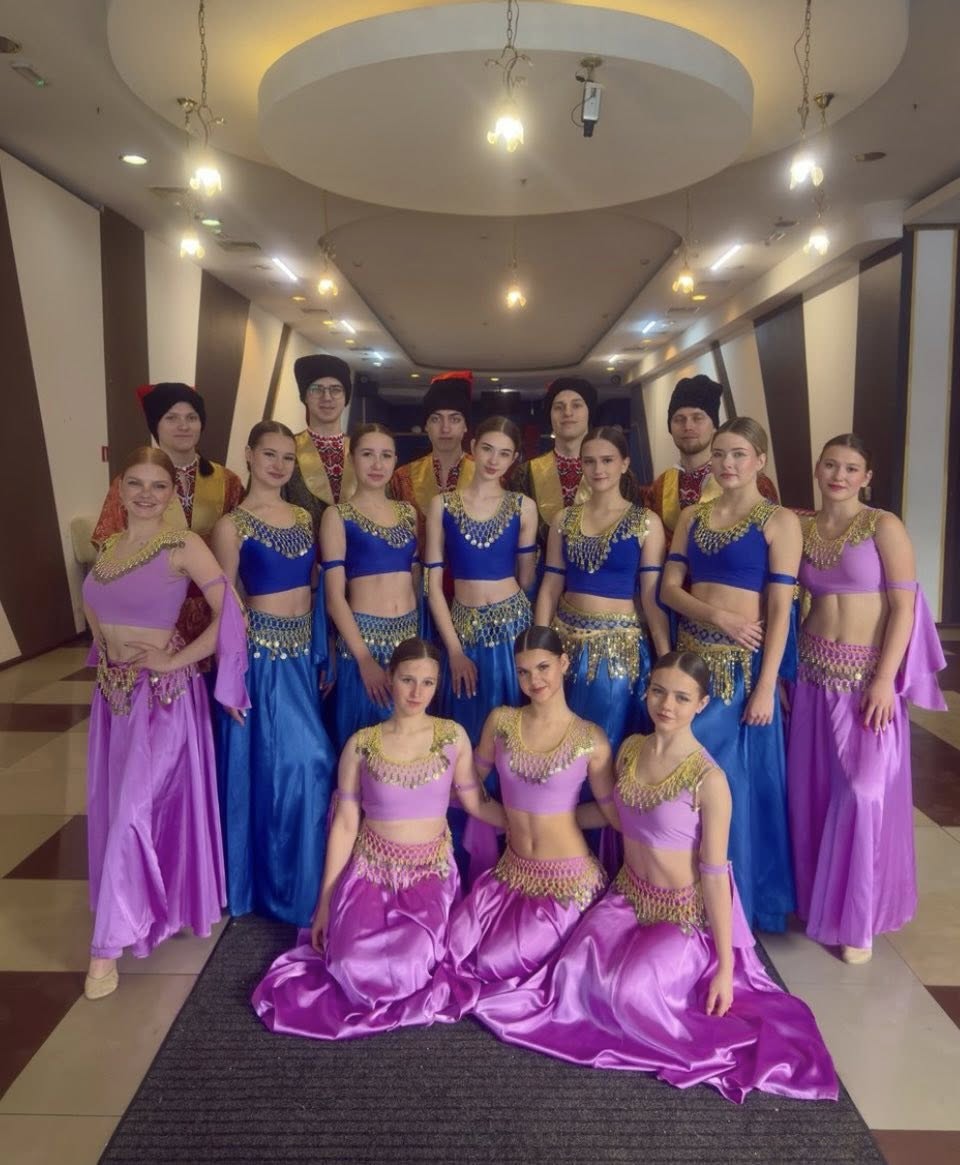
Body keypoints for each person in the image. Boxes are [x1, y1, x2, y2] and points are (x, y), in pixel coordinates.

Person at [475, 652, 839, 1104]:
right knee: (571, 974)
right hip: (627, 899)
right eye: (659, 692)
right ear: (647, 692)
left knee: (629, 993)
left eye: (682, 697)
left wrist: (726, 969)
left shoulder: (709, 780)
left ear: (702, 704)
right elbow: (612, 815)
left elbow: (715, 876)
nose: (667, 705)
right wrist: (537, 817)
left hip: (681, 915)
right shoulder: (631, 749)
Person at [251, 639, 505, 1040]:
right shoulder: (361, 744)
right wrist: (325, 904)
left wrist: (526, 826)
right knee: (349, 964)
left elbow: (475, 802)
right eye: (407, 680)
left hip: (430, 877)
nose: (417, 693)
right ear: (390, 677)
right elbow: (345, 824)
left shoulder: (452, 737)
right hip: (369, 875)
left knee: (413, 964)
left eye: (427, 682)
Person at [82, 447, 248, 1000]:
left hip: (162, 700)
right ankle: (145, 907)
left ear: (173, 494)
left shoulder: (184, 545)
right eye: (136, 484)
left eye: (158, 485)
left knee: (133, 811)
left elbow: (232, 613)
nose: (146, 495)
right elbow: (96, 607)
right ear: (120, 488)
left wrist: (176, 659)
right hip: (114, 698)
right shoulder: (108, 548)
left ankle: (105, 948)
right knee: (121, 809)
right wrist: (105, 653)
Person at [788, 435, 946, 963]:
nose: (839, 475)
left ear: (867, 477)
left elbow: (904, 608)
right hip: (811, 673)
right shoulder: (802, 528)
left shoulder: (883, 526)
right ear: (818, 469)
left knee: (863, 790)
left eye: (851, 468)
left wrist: (884, 679)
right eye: (831, 465)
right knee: (812, 791)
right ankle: (817, 900)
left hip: (865, 679)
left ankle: (860, 919)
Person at [429, 626, 613, 1020]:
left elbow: (612, 811)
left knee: (493, 962)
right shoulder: (501, 722)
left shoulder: (590, 738)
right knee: (453, 945)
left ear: (564, 664)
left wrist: (564, 818)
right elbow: (471, 787)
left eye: (543, 667)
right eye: (524, 672)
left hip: (567, 887)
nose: (535, 680)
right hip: (509, 876)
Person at [661, 417, 800, 932]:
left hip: (743, 673)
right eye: (719, 454)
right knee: (686, 779)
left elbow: (780, 610)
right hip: (692, 664)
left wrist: (766, 686)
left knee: (734, 782)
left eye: (739, 454)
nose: (727, 464)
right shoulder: (692, 516)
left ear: (760, 460)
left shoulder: (779, 520)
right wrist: (718, 616)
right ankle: (685, 895)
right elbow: (669, 590)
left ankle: (737, 904)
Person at [212, 421, 335, 927]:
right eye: (270, 454)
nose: (279, 465)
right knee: (308, 761)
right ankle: (289, 889)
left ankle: (300, 880)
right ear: (249, 454)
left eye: (287, 457)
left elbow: (316, 588)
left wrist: (322, 651)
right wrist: (230, 679)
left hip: (302, 654)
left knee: (287, 769)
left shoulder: (304, 517)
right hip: (262, 659)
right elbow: (226, 605)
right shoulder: (231, 526)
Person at [536, 425, 670, 751]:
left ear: (624, 463)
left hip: (618, 649)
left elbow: (651, 597)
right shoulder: (564, 520)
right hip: (564, 643)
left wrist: (666, 658)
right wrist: (539, 645)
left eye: (607, 460)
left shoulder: (646, 522)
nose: (598, 469)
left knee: (606, 739)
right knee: (557, 737)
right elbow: (551, 586)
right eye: (590, 461)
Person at [92, 382, 244, 644]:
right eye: (171, 418)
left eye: (191, 418)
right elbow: (109, 549)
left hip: (213, 606)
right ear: (156, 425)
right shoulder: (130, 483)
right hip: (151, 612)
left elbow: (244, 544)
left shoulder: (228, 481)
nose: (183, 426)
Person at [424, 416, 538, 746]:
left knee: (513, 729)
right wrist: (454, 651)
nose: (493, 460)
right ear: (472, 447)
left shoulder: (524, 506)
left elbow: (527, 579)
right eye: (487, 449)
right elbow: (433, 588)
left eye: (504, 453)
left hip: (513, 629)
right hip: (462, 631)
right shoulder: (442, 505)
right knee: (465, 724)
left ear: (514, 458)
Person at [321, 424, 420, 749]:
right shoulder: (338, 516)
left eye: (386, 455)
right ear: (352, 459)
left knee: (408, 740)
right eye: (367, 454)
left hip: (408, 638)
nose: (377, 464)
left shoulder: (408, 513)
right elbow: (334, 597)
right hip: (363, 640)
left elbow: (416, 581)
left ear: (395, 461)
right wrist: (363, 658)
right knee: (363, 739)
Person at [644, 375, 778, 550]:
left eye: (697, 418)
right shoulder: (660, 486)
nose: (687, 426)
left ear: (714, 425)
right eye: (679, 419)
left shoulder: (754, 482)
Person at [389, 371, 475, 549]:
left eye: (455, 419)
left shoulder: (486, 475)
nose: (445, 428)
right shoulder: (402, 477)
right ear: (426, 425)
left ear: (465, 426)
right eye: (436, 419)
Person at [511, 377, 596, 541]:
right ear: (550, 415)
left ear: (589, 412)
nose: (567, 413)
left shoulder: (617, 474)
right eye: (558, 407)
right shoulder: (525, 474)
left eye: (576, 405)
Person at [284, 354, 355, 535]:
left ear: (346, 397)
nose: (327, 397)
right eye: (317, 389)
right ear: (305, 397)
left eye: (335, 389)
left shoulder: (364, 451)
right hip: (298, 547)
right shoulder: (286, 449)